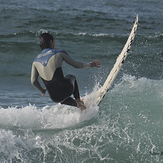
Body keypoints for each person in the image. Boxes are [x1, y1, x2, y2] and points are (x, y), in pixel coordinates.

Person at [31, 33, 101, 110]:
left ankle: (81, 106)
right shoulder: (59, 53)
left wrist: (42, 90)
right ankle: (78, 101)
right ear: (51, 42)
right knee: (71, 77)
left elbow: (33, 81)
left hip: (54, 97)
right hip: (66, 88)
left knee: (61, 99)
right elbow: (77, 65)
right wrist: (90, 64)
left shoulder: (35, 61)